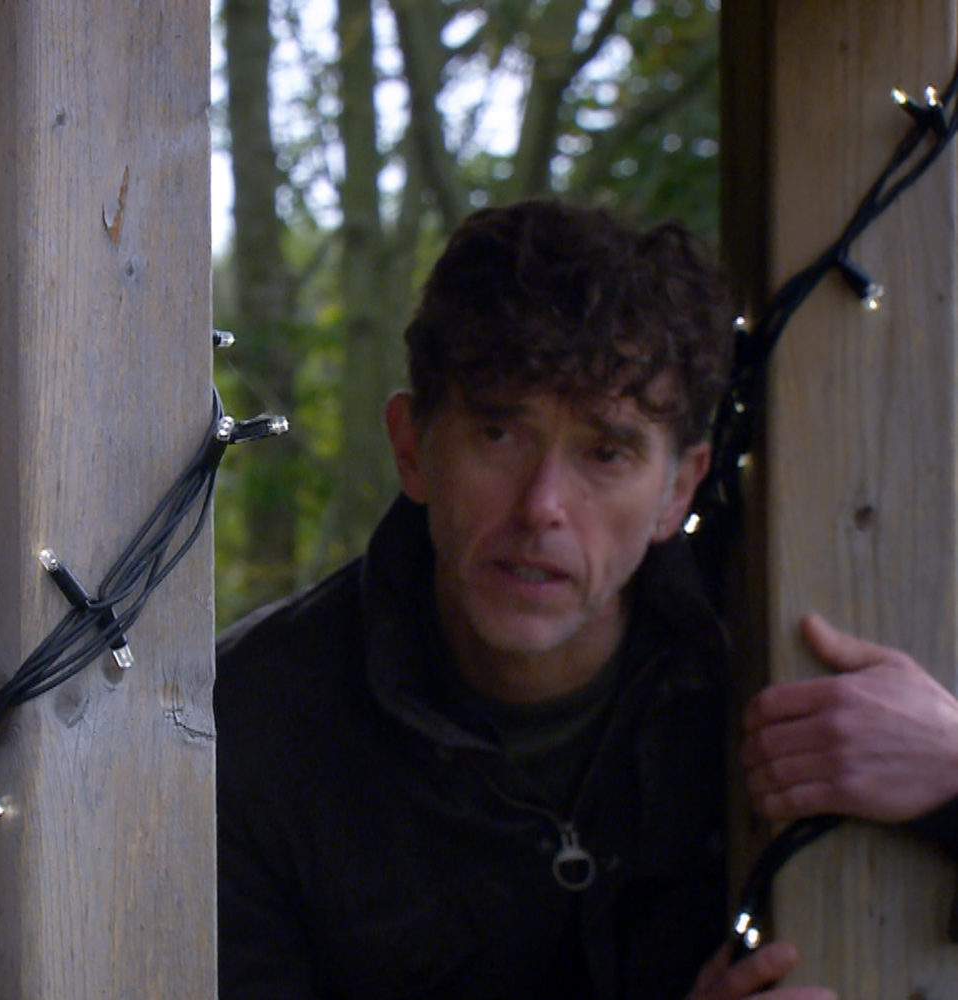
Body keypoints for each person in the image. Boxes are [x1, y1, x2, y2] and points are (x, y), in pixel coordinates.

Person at [215, 198, 958, 1000]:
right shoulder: (251, 725)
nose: (542, 506)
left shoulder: (760, 646)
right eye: (499, 434)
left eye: (606, 453)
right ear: (412, 447)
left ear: (680, 489)